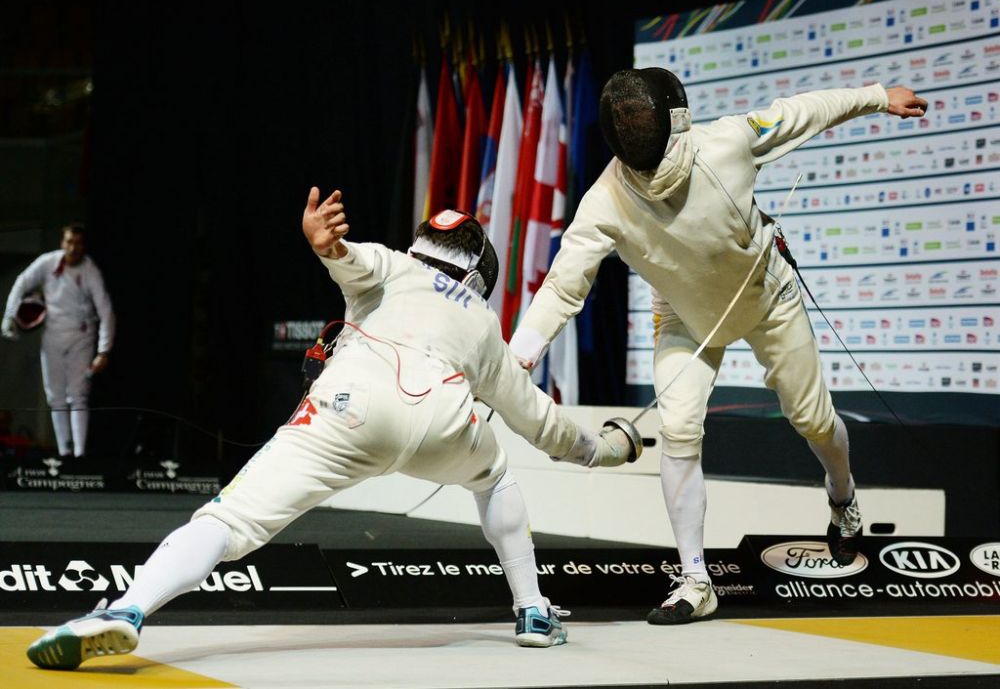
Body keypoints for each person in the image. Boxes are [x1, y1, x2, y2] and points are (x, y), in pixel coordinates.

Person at [26, 189, 641, 671]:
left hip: (351, 409)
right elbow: (542, 423)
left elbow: (355, 261)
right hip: (446, 425)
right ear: (479, 267)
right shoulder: (483, 322)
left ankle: (130, 609)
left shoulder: (395, 266)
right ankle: (532, 612)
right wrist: (608, 449)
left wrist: (327, 246)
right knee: (497, 474)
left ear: (423, 245)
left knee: (228, 521)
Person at [509, 68, 928, 624]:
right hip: (684, 320)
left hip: (768, 299)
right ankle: (696, 581)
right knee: (679, 430)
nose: (635, 128)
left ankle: (842, 496)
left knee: (814, 420)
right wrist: (517, 356)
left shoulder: (727, 141)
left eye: (640, 117)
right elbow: (563, 286)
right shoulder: (605, 202)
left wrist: (878, 97)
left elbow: (805, 109)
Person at [2, 223, 114, 459]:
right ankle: (64, 453)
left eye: (78, 243)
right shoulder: (48, 262)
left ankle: (80, 454)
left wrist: (104, 350)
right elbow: (21, 283)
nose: (73, 248)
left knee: (78, 395)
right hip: (52, 335)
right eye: (69, 242)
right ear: (62, 243)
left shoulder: (90, 271)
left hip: (81, 337)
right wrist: (9, 316)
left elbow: (106, 311)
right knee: (55, 397)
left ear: (83, 246)